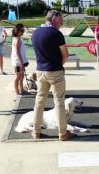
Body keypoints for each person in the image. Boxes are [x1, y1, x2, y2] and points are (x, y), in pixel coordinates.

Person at [31, 10, 75, 140]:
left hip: (40, 70)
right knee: (59, 103)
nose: (62, 22)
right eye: (61, 19)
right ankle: (62, 132)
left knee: (39, 101)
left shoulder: (35, 32)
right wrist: (60, 66)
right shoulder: (56, 33)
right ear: (54, 18)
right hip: (54, 71)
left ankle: (36, 131)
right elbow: (65, 54)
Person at [11, 23, 28, 96]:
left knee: (22, 76)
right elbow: (17, 52)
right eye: (21, 30)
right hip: (17, 62)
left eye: (23, 30)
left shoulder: (19, 38)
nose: (22, 32)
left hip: (20, 61)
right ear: (17, 31)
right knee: (18, 76)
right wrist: (22, 63)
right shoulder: (17, 40)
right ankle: (17, 92)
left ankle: (22, 89)